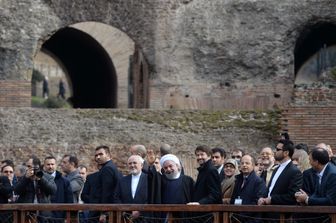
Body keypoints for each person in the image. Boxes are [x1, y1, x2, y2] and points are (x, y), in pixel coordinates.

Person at [258, 139, 302, 221]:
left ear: (286, 153)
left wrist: (272, 199)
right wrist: (262, 198)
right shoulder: (276, 169)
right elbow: (270, 189)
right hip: (266, 214)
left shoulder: (295, 172)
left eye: (278, 149)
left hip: (280, 216)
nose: (275, 151)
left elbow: (292, 197)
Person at [295, 148, 336, 222]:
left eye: (310, 160)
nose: (309, 162)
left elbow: (331, 200)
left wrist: (307, 199)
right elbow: (317, 194)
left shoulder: (333, 174)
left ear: (316, 162)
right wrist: (303, 196)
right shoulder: (321, 173)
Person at [14, 155, 57, 222]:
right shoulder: (23, 177)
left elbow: (53, 190)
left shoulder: (48, 177)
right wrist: (26, 179)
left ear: (38, 167)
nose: (28, 169)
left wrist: (41, 179)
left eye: (30, 166)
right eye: (27, 166)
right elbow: (16, 191)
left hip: (43, 213)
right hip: (26, 213)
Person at [187, 145, 221, 223]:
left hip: (207, 215)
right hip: (202, 213)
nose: (199, 157)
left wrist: (200, 203)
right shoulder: (204, 170)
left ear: (209, 155)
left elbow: (215, 194)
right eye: (198, 155)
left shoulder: (211, 170)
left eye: (202, 154)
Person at [230, 154, 267, 223]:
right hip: (236, 218)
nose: (244, 165)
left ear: (253, 165)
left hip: (251, 219)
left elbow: (257, 202)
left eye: (247, 163)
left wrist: (242, 214)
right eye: (242, 163)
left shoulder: (259, 182)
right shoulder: (237, 180)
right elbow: (233, 199)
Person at [115, 155, 148, 222]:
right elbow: (116, 197)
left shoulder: (149, 179)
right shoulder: (122, 180)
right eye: (130, 163)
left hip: (145, 217)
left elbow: (151, 198)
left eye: (134, 163)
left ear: (141, 165)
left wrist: (140, 211)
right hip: (126, 217)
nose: (132, 165)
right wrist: (124, 210)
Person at [94, 145, 122, 222]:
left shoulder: (107, 168)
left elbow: (107, 191)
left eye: (101, 154)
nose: (98, 157)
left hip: (109, 210)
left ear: (108, 155)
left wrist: (103, 212)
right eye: (96, 155)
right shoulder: (111, 166)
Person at [44, 156, 73, 222]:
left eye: (52, 164)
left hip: (59, 217)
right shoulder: (39, 180)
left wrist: (66, 217)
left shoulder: (65, 181)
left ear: (56, 165)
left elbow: (69, 200)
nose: (50, 166)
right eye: (48, 164)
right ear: (44, 166)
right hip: (42, 217)